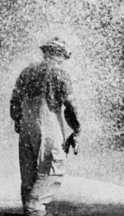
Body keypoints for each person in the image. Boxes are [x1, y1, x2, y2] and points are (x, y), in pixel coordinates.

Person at [10, 38, 81, 216]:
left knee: (29, 176)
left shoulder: (27, 72)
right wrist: (77, 130)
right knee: (51, 171)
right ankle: (35, 209)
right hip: (48, 128)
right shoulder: (59, 73)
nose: (64, 60)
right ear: (60, 54)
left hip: (26, 129)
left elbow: (14, 101)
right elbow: (71, 106)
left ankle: (30, 209)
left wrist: (18, 122)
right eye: (64, 56)